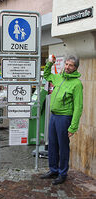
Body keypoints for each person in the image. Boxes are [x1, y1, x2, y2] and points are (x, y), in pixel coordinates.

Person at [40, 55, 83, 185]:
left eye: (70, 65)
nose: (67, 67)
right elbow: (47, 75)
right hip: (53, 116)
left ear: (75, 68)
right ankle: (53, 169)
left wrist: (73, 126)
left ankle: (62, 173)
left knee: (63, 146)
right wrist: (49, 63)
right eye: (66, 64)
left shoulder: (76, 84)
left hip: (65, 118)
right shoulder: (58, 77)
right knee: (52, 144)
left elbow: (78, 107)